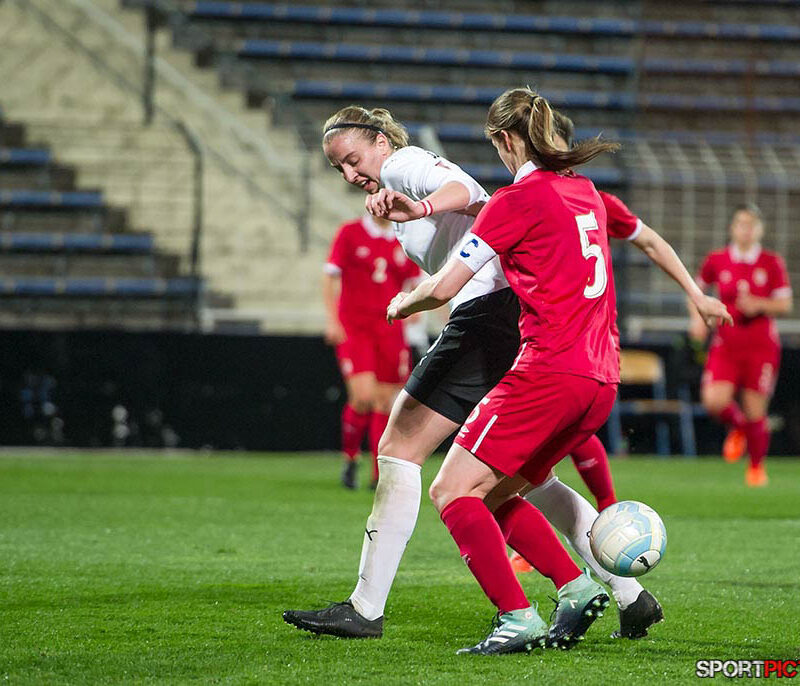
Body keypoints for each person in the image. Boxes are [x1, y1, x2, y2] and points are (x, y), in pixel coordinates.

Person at [384, 87, 732, 655]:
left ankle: (516, 616)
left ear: (504, 138)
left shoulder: (513, 201)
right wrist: (696, 294)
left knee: (451, 490)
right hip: (601, 380)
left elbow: (445, 287)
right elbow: (638, 240)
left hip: (547, 371)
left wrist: (404, 303)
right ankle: (577, 588)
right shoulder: (588, 193)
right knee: (501, 491)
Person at [689, 203, 792, 486]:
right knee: (714, 401)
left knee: (755, 409)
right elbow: (696, 290)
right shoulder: (717, 259)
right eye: (741, 224)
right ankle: (740, 429)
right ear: (732, 228)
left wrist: (760, 304)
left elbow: (785, 303)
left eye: (751, 225)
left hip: (761, 347)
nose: (746, 230)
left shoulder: (771, 262)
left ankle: (756, 469)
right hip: (726, 343)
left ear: (760, 230)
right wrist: (697, 319)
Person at [323, 213, 420, 489]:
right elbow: (330, 276)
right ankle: (351, 457)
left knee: (385, 402)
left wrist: (415, 306)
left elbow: (414, 280)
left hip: (390, 327)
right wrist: (332, 320)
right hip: (355, 325)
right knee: (363, 397)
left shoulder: (405, 237)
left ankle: (378, 474)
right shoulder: (350, 232)